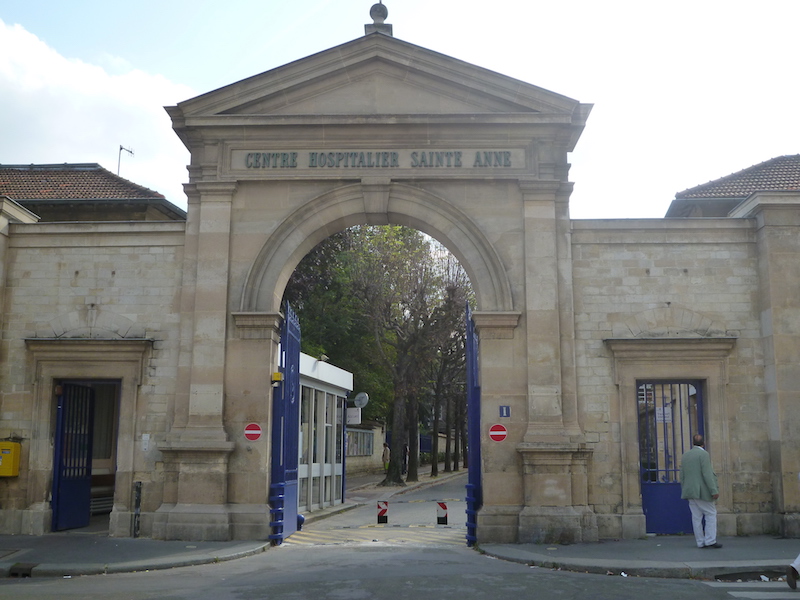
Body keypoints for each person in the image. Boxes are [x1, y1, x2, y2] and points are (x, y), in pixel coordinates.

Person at [680, 433, 721, 549]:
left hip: (690, 491)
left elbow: (682, 475)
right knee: (711, 514)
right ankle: (710, 540)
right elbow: (707, 474)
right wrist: (714, 490)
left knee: (696, 517)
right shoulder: (704, 455)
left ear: (693, 443)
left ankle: (700, 541)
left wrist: (685, 488)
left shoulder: (685, 455)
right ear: (704, 443)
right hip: (702, 491)